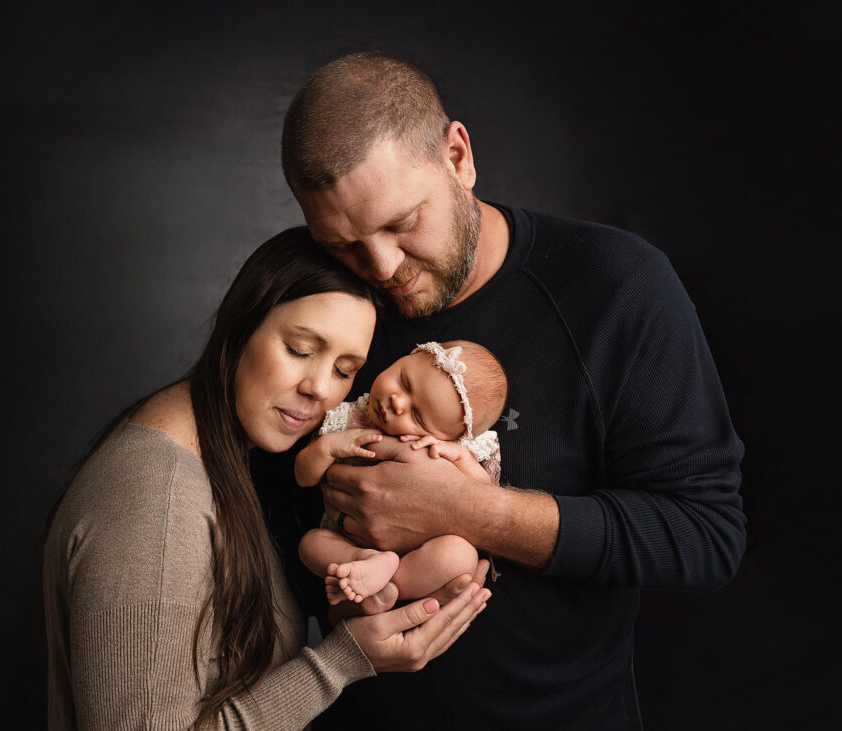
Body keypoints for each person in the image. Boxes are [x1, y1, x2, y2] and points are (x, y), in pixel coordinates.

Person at [262, 52, 746, 728]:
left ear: (458, 156)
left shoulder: (614, 286)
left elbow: (704, 534)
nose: (381, 267)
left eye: (402, 223)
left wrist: (472, 511)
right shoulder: (322, 302)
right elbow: (258, 493)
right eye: (344, 243)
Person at [42, 228, 492, 730]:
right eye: (300, 349)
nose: (319, 389)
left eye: (345, 370)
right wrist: (339, 662)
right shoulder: (157, 506)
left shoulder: (228, 457)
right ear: (242, 325)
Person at [296, 340, 507, 607]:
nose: (397, 403)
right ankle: (367, 563)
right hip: (348, 540)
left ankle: (391, 588)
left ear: (453, 437)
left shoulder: (453, 450)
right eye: (405, 382)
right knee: (310, 545)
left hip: (416, 555)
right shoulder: (348, 418)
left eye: (417, 418)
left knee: (460, 556)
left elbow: (483, 499)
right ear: (411, 353)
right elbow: (303, 477)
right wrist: (326, 448)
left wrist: (462, 457)